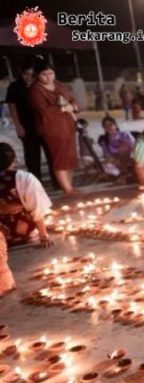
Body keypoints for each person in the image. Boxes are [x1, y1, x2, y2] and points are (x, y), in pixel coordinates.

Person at [27, 58, 81, 197]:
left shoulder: (59, 85)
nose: (48, 77)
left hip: (68, 126)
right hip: (53, 130)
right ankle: (67, 189)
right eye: (44, 74)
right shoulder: (35, 91)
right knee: (60, 159)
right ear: (37, 75)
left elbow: (72, 99)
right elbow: (44, 112)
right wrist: (64, 108)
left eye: (50, 73)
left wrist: (73, 106)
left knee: (70, 158)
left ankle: (70, 186)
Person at [5, 60, 54, 183]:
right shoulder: (15, 86)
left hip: (44, 126)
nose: (28, 77)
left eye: (31, 74)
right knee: (32, 157)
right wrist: (18, 126)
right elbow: (12, 107)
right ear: (21, 74)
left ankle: (57, 182)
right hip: (27, 127)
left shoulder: (40, 85)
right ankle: (36, 183)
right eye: (25, 74)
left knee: (51, 154)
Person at [0, 143, 52, 247]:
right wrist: (43, 235)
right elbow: (37, 208)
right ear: (14, 159)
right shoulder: (25, 179)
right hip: (24, 233)